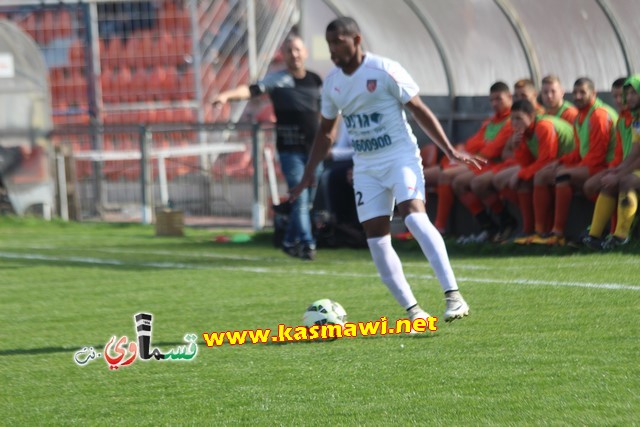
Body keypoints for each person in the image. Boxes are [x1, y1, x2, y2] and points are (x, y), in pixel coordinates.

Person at [290, 17, 484, 323]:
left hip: (400, 157)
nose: (332, 51)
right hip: (366, 167)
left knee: (413, 216)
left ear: (356, 40)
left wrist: (449, 149)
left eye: (337, 43)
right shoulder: (332, 83)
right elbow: (325, 133)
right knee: (376, 239)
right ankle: (414, 312)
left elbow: (418, 108)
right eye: (329, 44)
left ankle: (454, 297)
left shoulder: (384, 70)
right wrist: (307, 175)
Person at [214, 33, 323, 260]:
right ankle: (307, 244)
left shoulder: (316, 80)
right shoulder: (276, 80)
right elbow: (250, 90)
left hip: (314, 151)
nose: (293, 54)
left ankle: (287, 238)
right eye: (289, 50)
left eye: (297, 49)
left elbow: (328, 113)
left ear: (305, 53)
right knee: (301, 198)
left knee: (308, 201)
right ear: (282, 55)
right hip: (290, 151)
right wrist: (226, 96)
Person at [531, 77, 618, 245]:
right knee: (544, 175)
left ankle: (560, 233)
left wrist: (569, 168)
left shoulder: (598, 115)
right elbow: (579, 151)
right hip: (595, 165)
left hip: (606, 166)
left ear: (594, 93)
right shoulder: (581, 116)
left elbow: (597, 157)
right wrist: (561, 161)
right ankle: (541, 232)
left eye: (582, 92)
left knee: (563, 177)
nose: (577, 96)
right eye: (575, 93)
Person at [426, 81, 514, 238]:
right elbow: (473, 144)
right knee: (422, 175)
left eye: (498, 99)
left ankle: (439, 227)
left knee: (450, 176)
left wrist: (467, 156)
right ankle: (488, 225)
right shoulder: (492, 121)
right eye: (492, 100)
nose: (494, 104)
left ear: (510, 97)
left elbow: (492, 151)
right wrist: (463, 152)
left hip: (492, 164)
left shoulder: (512, 121)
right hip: (480, 161)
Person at [490, 99, 574, 242]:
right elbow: (527, 163)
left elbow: (546, 160)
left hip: (571, 162)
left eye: (519, 119)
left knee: (538, 177)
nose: (515, 123)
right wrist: (518, 146)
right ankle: (528, 230)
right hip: (555, 164)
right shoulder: (525, 131)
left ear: (532, 116)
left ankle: (545, 232)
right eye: (513, 119)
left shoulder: (544, 126)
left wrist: (520, 174)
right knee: (521, 181)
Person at [583, 75, 640, 249]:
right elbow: (634, 152)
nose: (627, 97)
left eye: (633, 93)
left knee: (626, 180)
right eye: (627, 93)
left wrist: (620, 174)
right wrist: (616, 170)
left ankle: (621, 237)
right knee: (609, 181)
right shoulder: (636, 120)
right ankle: (594, 235)